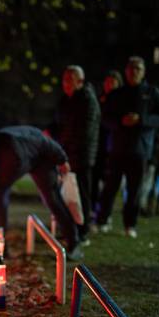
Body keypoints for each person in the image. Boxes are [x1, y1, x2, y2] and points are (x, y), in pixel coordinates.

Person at [0, 125, 82, 259]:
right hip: (10, 167)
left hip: (39, 156)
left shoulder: (10, 150)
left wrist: (62, 159)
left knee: (52, 199)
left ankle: (74, 242)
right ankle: (1, 250)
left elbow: (43, 142)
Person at [96, 56, 159, 237]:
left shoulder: (152, 94)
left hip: (140, 149)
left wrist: (142, 120)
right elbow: (105, 118)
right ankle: (102, 220)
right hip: (118, 147)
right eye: (131, 68)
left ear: (143, 72)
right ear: (126, 71)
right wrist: (120, 122)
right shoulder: (117, 94)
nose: (134, 72)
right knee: (110, 186)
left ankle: (130, 225)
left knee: (134, 189)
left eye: (138, 69)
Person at [50, 65, 101, 246]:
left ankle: (83, 231)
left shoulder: (88, 101)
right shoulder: (65, 100)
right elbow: (58, 123)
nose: (66, 84)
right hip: (66, 155)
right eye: (64, 80)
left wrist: (67, 151)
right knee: (67, 195)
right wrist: (50, 131)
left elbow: (84, 132)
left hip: (81, 155)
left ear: (80, 81)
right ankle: (71, 230)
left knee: (82, 195)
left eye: (70, 80)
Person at [92, 70, 123, 214]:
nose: (110, 85)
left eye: (113, 82)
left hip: (113, 145)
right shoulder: (99, 100)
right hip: (97, 144)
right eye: (107, 82)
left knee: (109, 182)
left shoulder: (122, 101)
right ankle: (93, 208)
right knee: (94, 178)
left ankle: (105, 211)